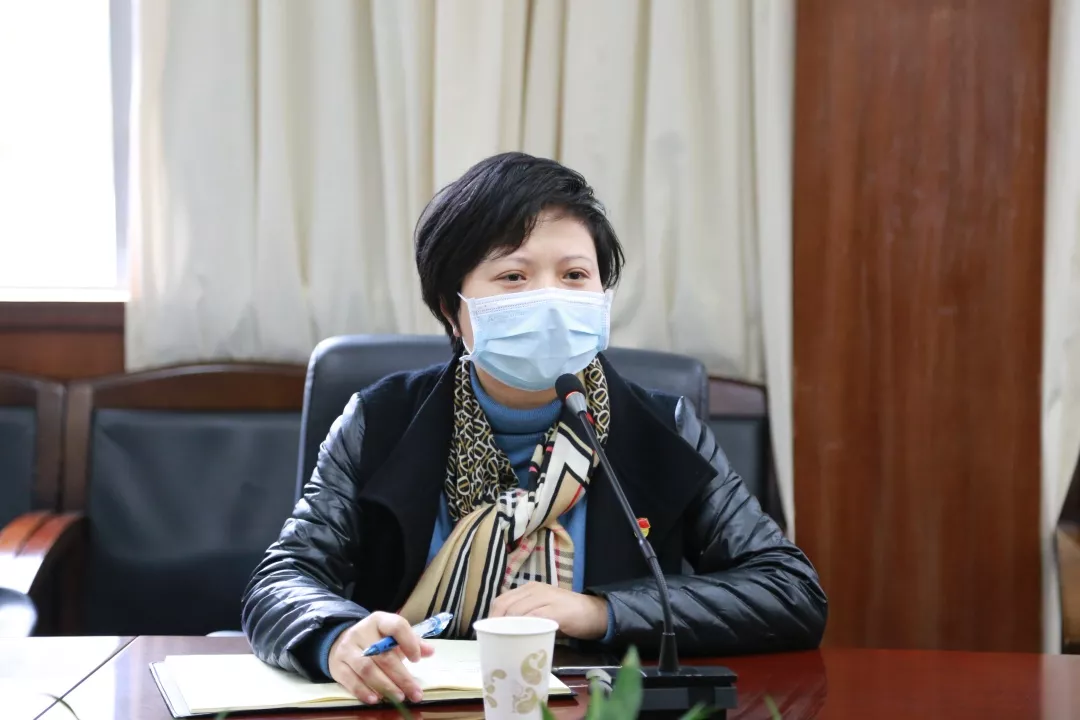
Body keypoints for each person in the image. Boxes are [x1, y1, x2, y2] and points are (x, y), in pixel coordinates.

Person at [242, 152, 827, 705]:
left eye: (574, 275)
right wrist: (335, 636)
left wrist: (600, 611)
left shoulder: (660, 427)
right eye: (514, 277)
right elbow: (283, 579)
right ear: (452, 308)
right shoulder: (381, 421)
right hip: (411, 703)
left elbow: (789, 590)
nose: (549, 300)